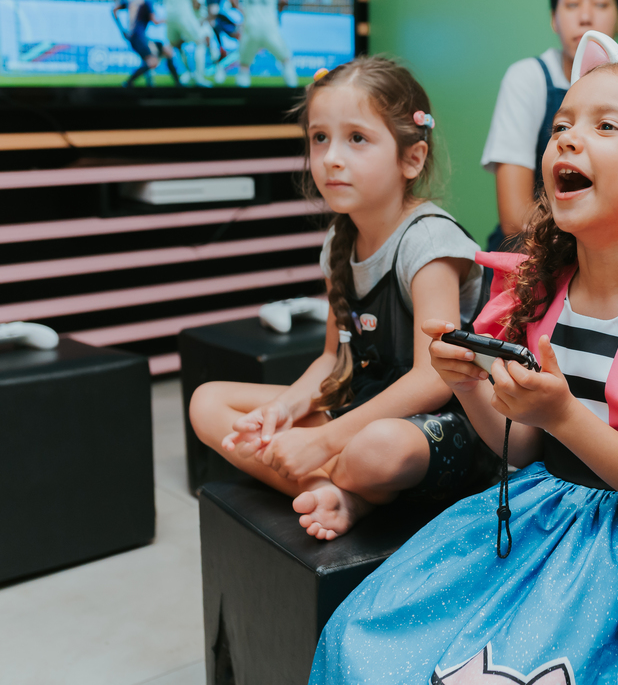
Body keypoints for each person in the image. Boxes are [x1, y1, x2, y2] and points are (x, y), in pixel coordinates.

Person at [309, 30, 618, 685]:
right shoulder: (542, 291)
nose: (568, 139)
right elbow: (521, 451)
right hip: (552, 510)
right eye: (562, 125)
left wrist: (567, 416)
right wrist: (468, 388)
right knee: (361, 640)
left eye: (606, 126)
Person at [190, 57, 488, 540]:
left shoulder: (428, 241)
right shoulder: (339, 242)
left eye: (357, 139)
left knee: (376, 450)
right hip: (362, 403)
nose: (331, 158)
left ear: (411, 158)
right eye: (319, 137)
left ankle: (336, 479)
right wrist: (285, 409)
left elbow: (434, 378)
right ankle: (331, 490)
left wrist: (324, 438)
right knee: (209, 402)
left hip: (438, 426)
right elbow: (334, 357)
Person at [480, 0, 618, 252]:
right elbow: (515, 216)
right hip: (538, 248)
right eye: (571, 4)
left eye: (601, 4)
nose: (585, 17)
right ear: (554, 18)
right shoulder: (528, 77)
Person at [152, 0, 210, 86]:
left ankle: (155, 71)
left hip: (169, 12)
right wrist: (195, 2)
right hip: (184, 12)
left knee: (173, 45)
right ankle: (199, 78)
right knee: (200, 41)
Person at [112, 0, 181, 88]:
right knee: (152, 62)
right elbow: (155, 21)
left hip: (135, 36)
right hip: (138, 37)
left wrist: (122, 30)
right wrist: (170, 20)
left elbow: (114, 9)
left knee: (167, 51)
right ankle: (128, 83)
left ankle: (178, 84)